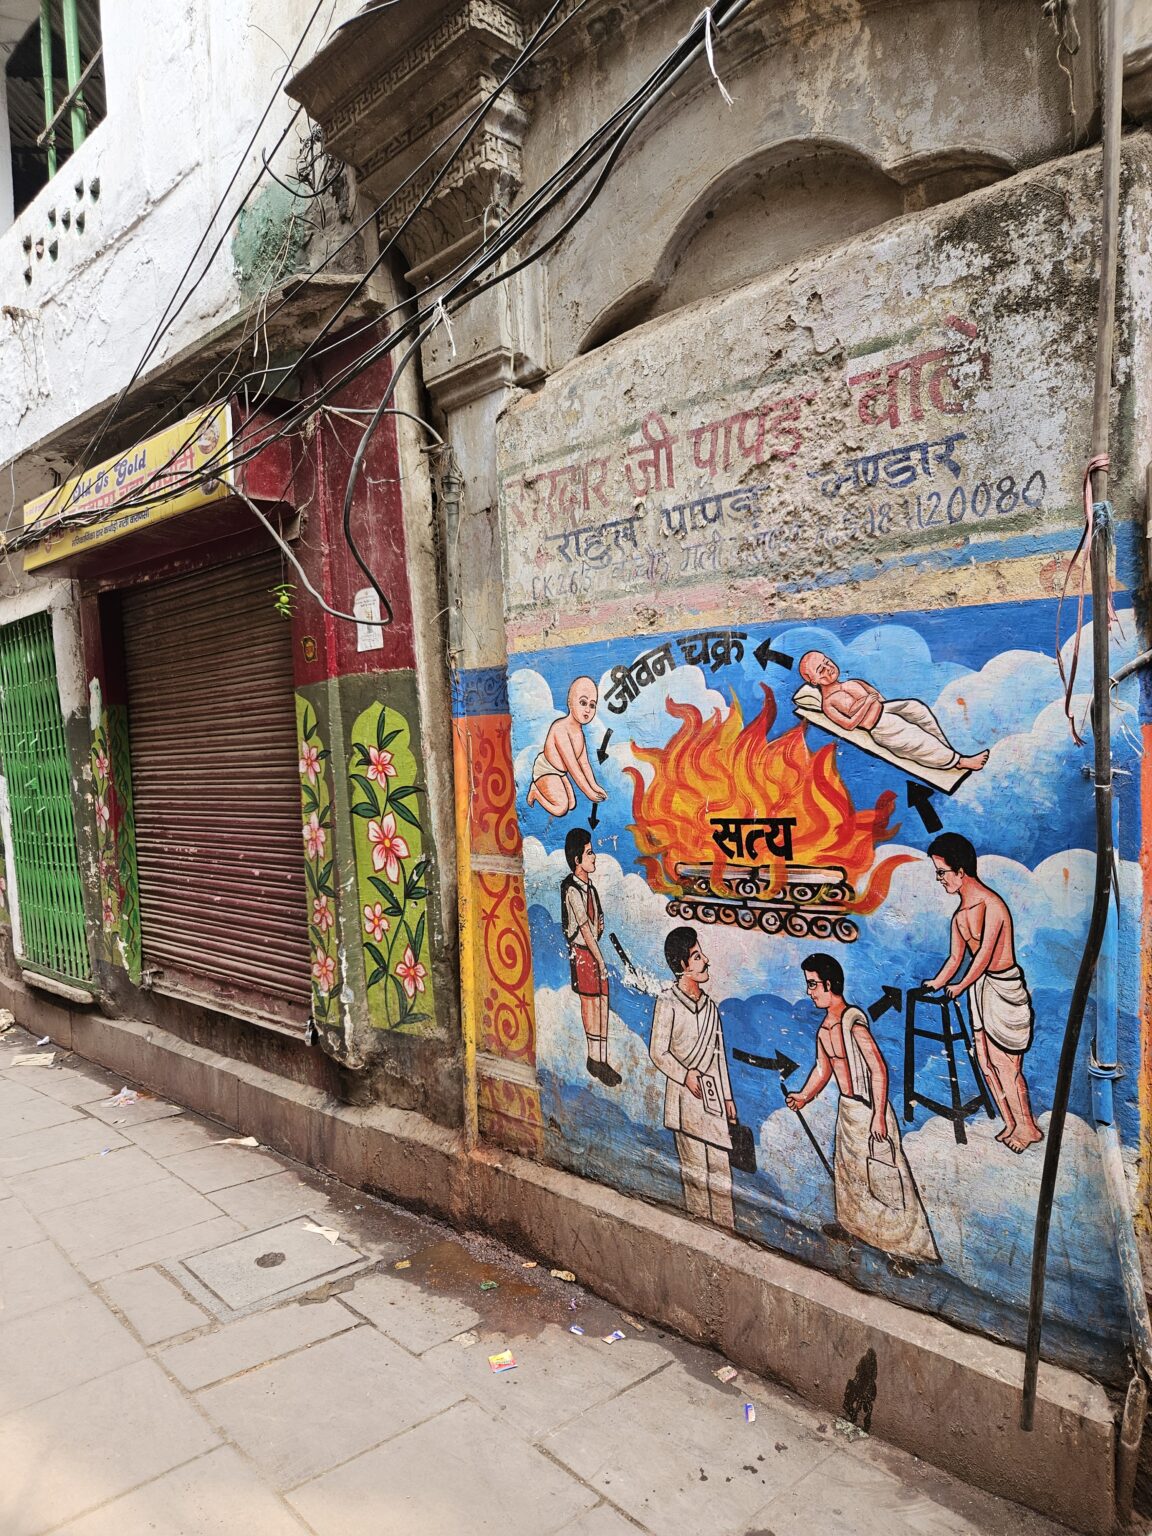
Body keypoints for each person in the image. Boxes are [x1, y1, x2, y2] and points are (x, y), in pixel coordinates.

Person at [787, 952, 940, 1270]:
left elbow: (878, 1070)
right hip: (848, 1112)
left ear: (830, 984)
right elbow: (822, 1069)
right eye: (808, 985)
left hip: (871, 1112)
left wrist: (880, 1114)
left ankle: (902, 1251)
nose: (810, 991)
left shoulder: (852, 1024)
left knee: (885, 1182)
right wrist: (803, 1096)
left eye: (813, 984)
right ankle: (855, 1229)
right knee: (850, 1177)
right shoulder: (825, 1030)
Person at [923, 832, 1042, 1153]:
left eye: (942, 872)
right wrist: (937, 982)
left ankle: (1028, 1127)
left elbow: (987, 954)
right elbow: (955, 959)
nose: (940, 880)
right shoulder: (960, 916)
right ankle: (1011, 1123)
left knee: (1007, 1064)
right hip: (980, 991)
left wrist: (960, 985)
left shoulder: (992, 905)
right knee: (986, 1062)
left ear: (961, 871)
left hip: (1003, 988)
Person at [649, 927, 737, 1228]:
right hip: (685, 1101)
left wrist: (727, 1098)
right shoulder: (667, 1003)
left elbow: (718, 1057)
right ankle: (704, 1233)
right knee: (696, 1174)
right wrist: (685, 1076)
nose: (705, 961)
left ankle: (727, 1234)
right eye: (697, 957)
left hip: (713, 1104)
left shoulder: (711, 1008)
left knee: (721, 1176)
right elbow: (658, 1052)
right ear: (682, 966)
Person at [798, 650, 988, 774]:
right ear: (812, 680)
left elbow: (874, 693)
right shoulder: (829, 703)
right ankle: (960, 761)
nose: (828, 669)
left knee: (918, 710)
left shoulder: (851, 682)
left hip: (887, 709)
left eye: (827, 662)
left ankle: (947, 750)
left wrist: (877, 702)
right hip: (879, 726)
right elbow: (848, 725)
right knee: (918, 741)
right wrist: (866, 705)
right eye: (820, 669)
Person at [560, 828, 620, 1087]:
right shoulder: (572, 890)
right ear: (577, 860)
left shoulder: (590, 889)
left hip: (594, 950)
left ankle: (602, 1059)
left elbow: (596, 925)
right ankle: (593, 1058)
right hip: (585, 954)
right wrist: (601, 960)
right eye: (589, 852)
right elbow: (584, 929)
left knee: (603, 1002)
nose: (594, 857)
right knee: (591, 1003)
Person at [527, 676, 609, 816]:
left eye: (592, 705)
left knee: (572, 804)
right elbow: (573, 767)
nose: (588, 709)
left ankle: (554, 784)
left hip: (560, 772)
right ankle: (535, 791)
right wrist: (589, 793)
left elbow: (584, 764)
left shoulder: (579, 734)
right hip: (546, 770)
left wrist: (595, 786)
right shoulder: (560, 728)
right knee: (561, 808)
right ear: (570, 703)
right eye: (583, 702)